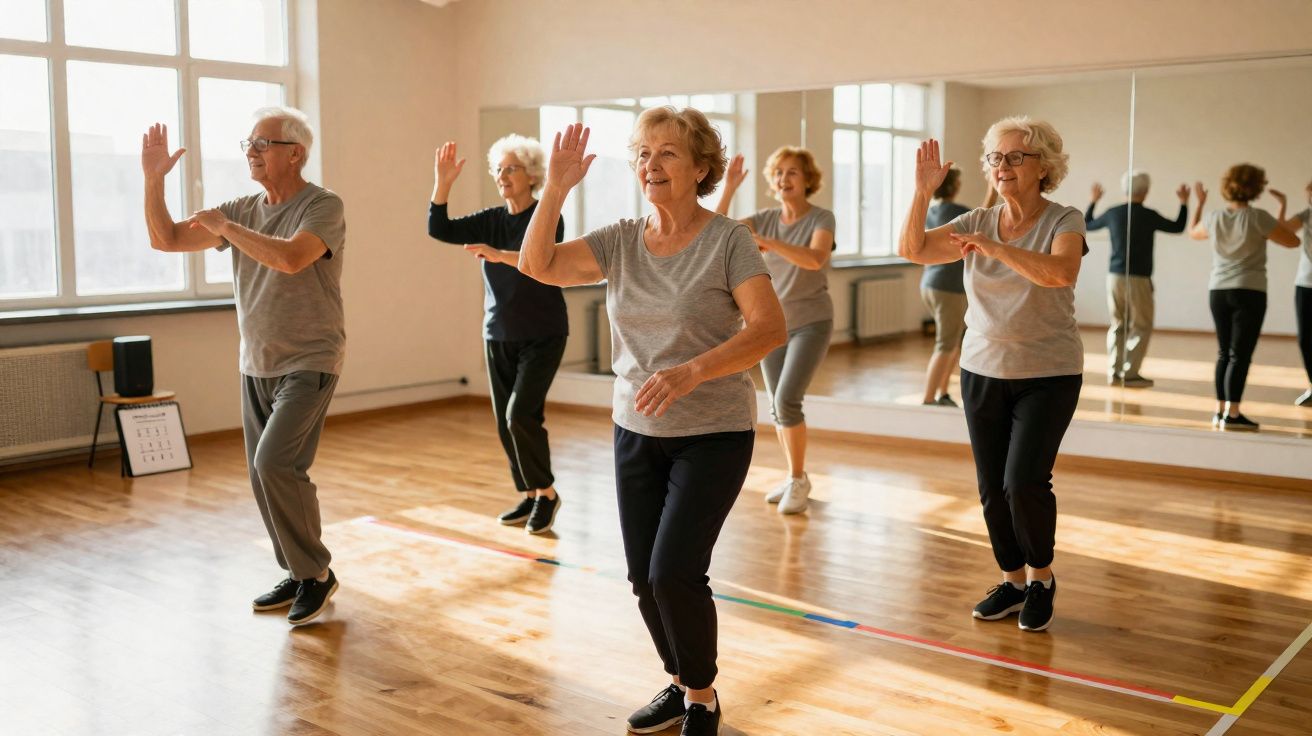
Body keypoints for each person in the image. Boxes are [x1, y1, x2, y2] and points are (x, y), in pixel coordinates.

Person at [517, 110, 785, 736]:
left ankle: (702, 698)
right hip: (635, 429)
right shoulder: (620, 240)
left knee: (674, 572)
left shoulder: (728, 240)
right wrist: (554, 188)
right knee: (643, 577)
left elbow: (770, 328)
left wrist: (694, 371)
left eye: (667, 153)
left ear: (700, 168)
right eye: (643, 153)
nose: (651, 164)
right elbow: (538, 264)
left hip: (713, 433)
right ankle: (682, 681)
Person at [142, 107, 345, 625]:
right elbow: (166, 239)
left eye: (262, 143)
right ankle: (298, 571)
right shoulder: (240, 209)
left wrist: (227, 229)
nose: (251, 152)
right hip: (256, 362)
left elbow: (292, 259)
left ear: (295, 153)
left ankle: (317, 574)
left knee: (276, 464)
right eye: (248, 143)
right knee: (262, 476)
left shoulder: (322, 205)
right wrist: (153, 181)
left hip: (310, 358)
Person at [898, 118, 1086, 633]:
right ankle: (1013, 581)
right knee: (991, 487)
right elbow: (913, 250)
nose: (1002, 167)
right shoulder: (976, 220)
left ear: (1043, 166)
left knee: (1023, 482)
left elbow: (1061, 273)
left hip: (1049, 372)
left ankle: (1042, 578)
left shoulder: (1064, 219)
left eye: (1015, 157)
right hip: (982, 369)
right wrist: (922, 193)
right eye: (995, 158)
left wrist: (996, 247)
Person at [427, 135, 567, 534]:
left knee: (520, 414)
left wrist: (499, 255)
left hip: (543, 332)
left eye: (511, 169)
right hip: (499, 332)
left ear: (532, 175)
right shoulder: (491, 219)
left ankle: (547, 494)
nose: (502, 176)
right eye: (498, 169)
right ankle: (530, 493)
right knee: (506, 422)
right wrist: (442, 184)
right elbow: (439, 228)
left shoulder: (547, 216)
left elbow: (538, 260)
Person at [714, 146, 834, 514]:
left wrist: (769, 243)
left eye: (792, 172)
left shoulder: (821, 218)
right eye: (779, 173)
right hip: (772, 325)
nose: (784, 179)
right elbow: (714, 231)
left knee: (786, 401)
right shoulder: (763, 218)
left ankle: (798, 479)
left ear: (807, 179)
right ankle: (795, 476)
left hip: (812, 322)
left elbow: (815, 259)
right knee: (777, 406)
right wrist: (729, 187)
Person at [1189, 165, 1300, 431]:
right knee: (1240, 355)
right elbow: (1292, 241)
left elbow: (1193, 232)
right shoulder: (1258, 217)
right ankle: (1233, 414)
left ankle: (1220, 411)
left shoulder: (1214, 217)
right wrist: (1282, 209)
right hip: (1250, 291)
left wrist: (1200, 203)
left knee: (1224, 352)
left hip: (1218, 291)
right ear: (1256, 188)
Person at [1085, 171, 1189, 387]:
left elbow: (1088, 224)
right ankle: (1130, 374)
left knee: (1118, 324)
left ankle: (1115, 372)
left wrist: (1093, 201)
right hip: (1139, 278)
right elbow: (1177, 227)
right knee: (1141, 325)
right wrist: (1184, 203)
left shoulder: (1113, 213)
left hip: (1114, 277)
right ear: (1146, 191)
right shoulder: (1148, 215)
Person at [918, 167, 973, 406]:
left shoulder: (931, 211)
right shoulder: (958, 212)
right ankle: (929, 399)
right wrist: (992, 193)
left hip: (930, 285)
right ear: (954, 186)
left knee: (952, 342)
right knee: (946, 344)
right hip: (948, 288)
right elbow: (984, 220)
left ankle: (942, 393)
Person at [1279, 180, 1312, 407]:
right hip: (1305, 284)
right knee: (1305, 338)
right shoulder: (1306, 215)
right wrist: (1282, 205)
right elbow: (1283, 230)